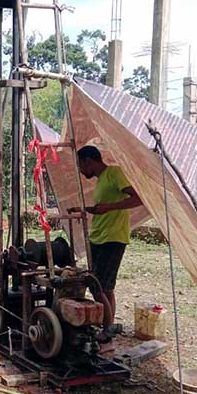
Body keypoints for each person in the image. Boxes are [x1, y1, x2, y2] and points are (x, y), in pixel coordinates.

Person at [68, 145, 142, 342]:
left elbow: (138, 199)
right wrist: (83, 209)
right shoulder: (102, 180)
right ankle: (107, 325)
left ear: (88, 161)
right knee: (106, 286)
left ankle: (107, 329)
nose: (81, 171)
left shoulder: (114, 173)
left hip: (113, 238)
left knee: (97, 285)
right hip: (99, 237)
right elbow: (102, 208)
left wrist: (110, 207)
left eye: (80, 166)